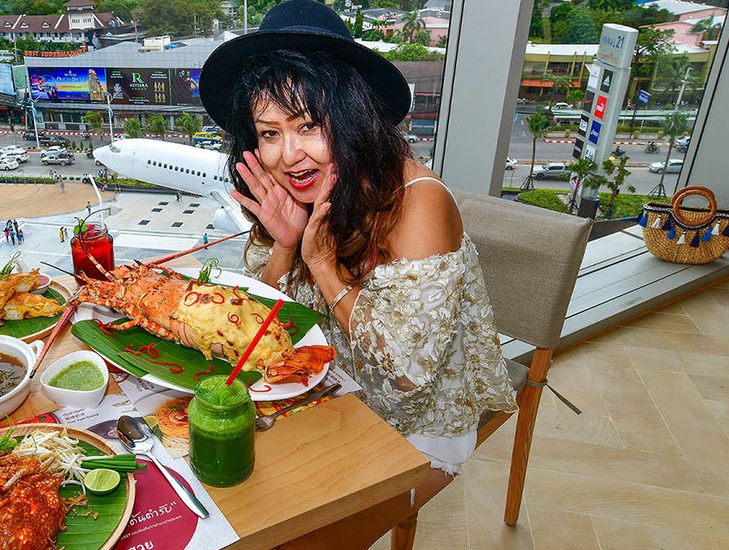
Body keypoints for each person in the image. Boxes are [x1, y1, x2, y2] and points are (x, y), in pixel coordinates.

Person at [201, 0, 515, 513]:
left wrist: (322, 264)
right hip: (325, 394)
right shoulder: (300, 196)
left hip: (416, 428)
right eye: (269, 134)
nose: (288, 155)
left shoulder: (418, 202)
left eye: (308, 126)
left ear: (348, 119)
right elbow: (260, 327)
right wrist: (285, 244)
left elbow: (407, 373)